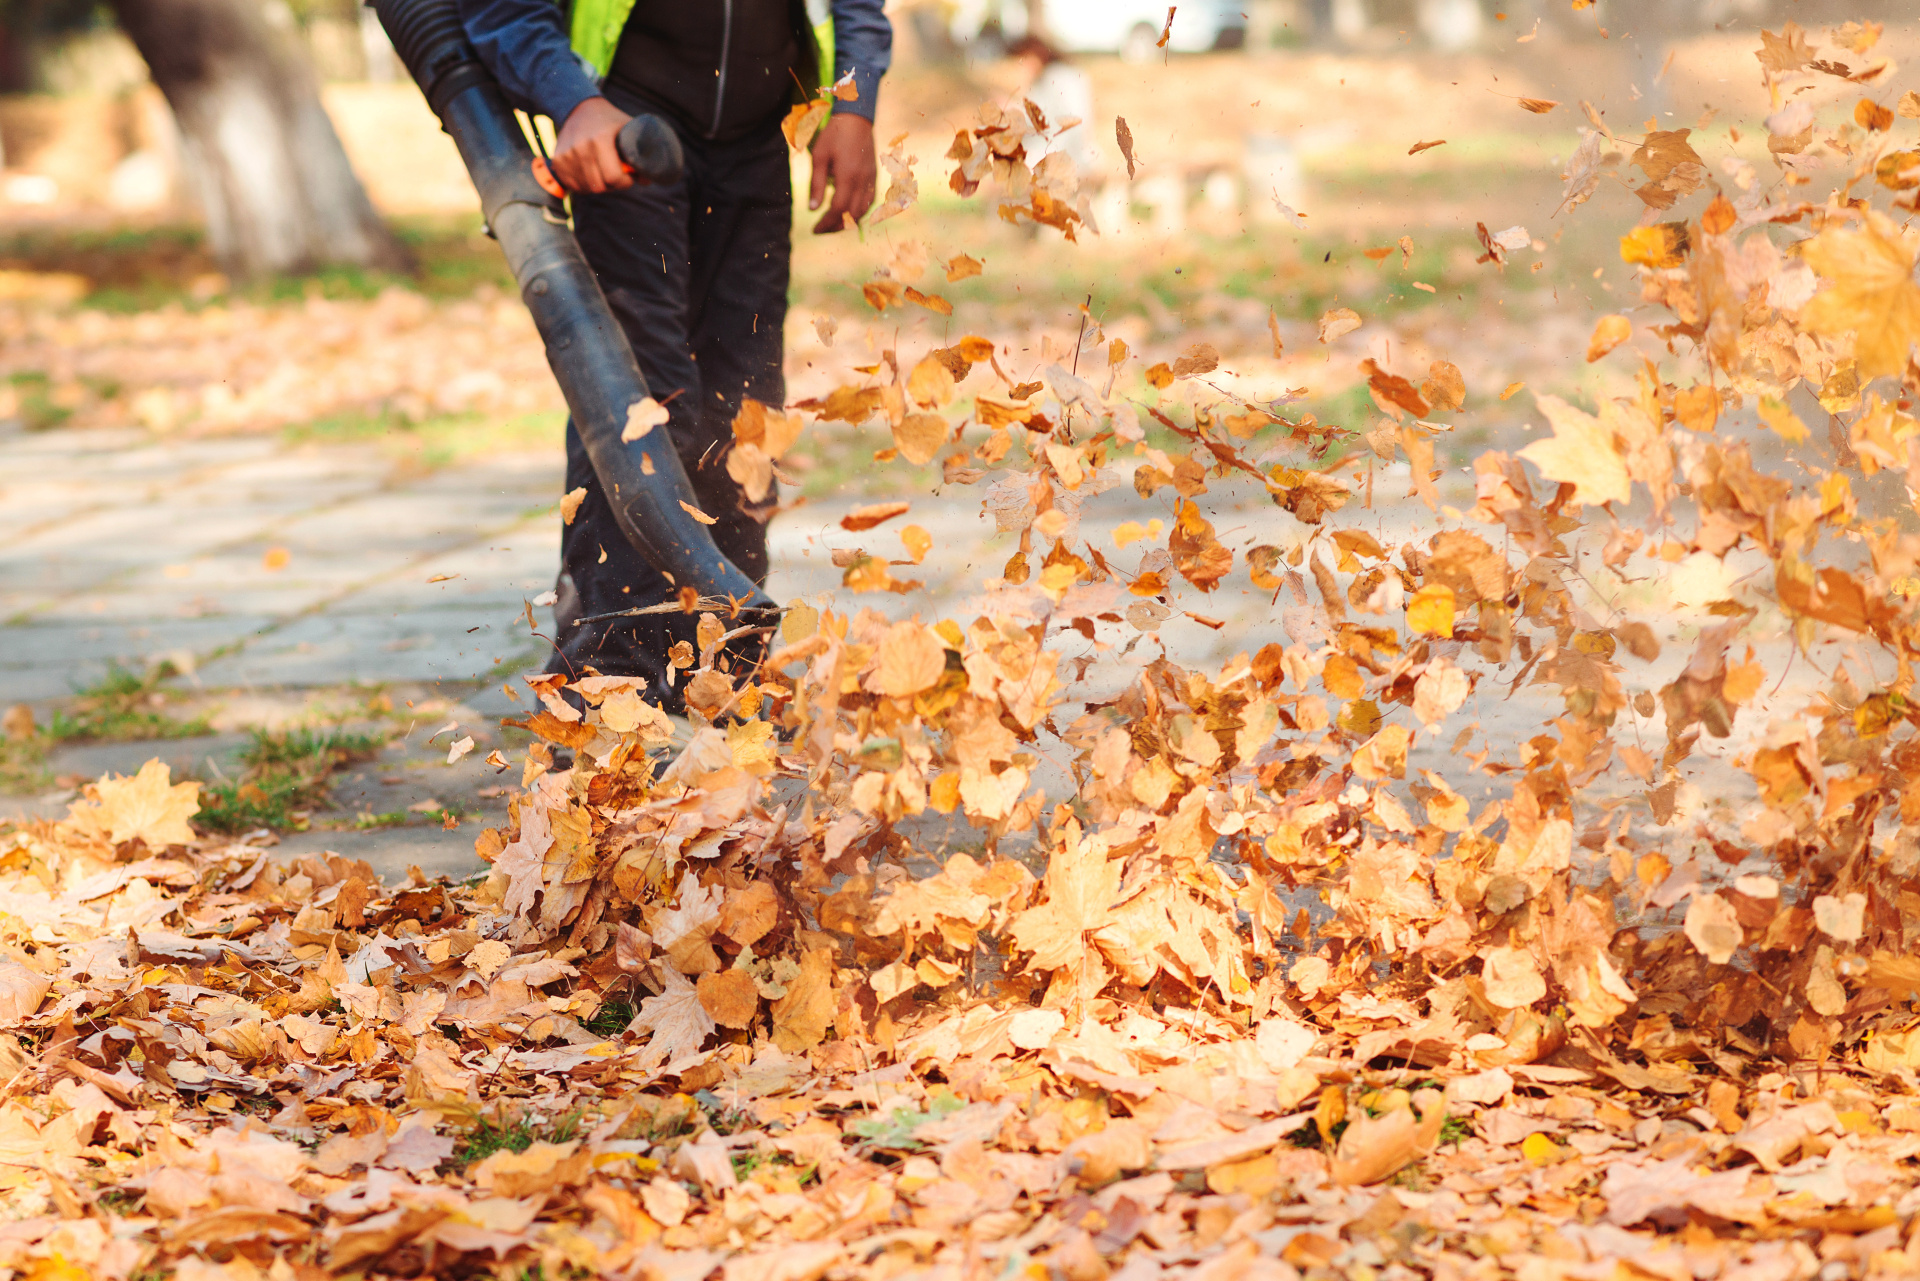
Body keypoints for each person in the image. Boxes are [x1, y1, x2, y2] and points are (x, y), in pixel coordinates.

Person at [457, 0, 892, 710]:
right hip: (627, 125)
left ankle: (720, 677)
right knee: (641, 407)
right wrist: (574, 101)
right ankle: (605, 689)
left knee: (743, 413)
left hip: (755, 138)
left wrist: (854, 98)